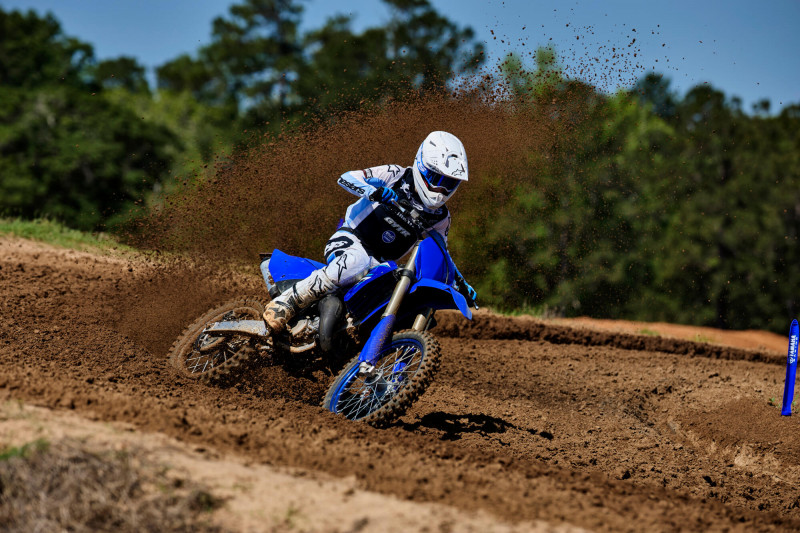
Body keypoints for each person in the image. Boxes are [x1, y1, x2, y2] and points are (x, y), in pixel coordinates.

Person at [262, 130, 477, 333]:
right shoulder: (396, 175)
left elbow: (441, 252)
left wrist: (461, 283)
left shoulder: (440, 217)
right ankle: (286, 303)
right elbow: (347, 177)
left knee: (400, 292)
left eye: (450, 183)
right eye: (437, 179)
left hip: (381, 264)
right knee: (357, 261)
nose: (441, 189)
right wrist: (373, 191)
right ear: (422, 167)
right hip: (351, 239)